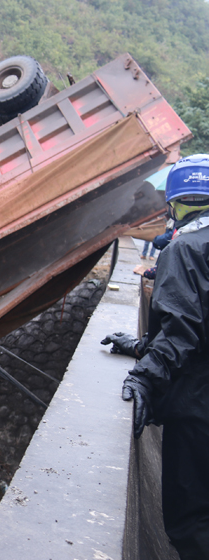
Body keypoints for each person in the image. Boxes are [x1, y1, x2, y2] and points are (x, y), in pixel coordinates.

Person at [101, 154, 209, 559]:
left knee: (192, 521)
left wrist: (143, 375)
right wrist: (143, 345)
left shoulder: (184, 252)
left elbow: (183, 333)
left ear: (180, 202)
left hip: (199, 413)